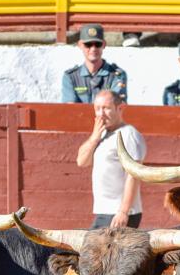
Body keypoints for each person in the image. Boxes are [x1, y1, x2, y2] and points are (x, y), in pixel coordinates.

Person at [78, 90, 145, 229]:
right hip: (105, 210)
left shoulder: (129, 134)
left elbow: (134, 175)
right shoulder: (101, 134)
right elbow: (81, 161)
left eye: (106, 108)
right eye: (97, 109)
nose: (101, 114)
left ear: (120, 108)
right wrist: (94, 137)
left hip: (119, 213)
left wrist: (123, 212)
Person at [60, 24, 128, 104]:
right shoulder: (71, 77)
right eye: (88, 44)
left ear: (104, 44)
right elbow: (70, 109)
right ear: (80, 45)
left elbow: (115, 106)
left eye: (97, 44)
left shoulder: (117, 75)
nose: (93, 49)